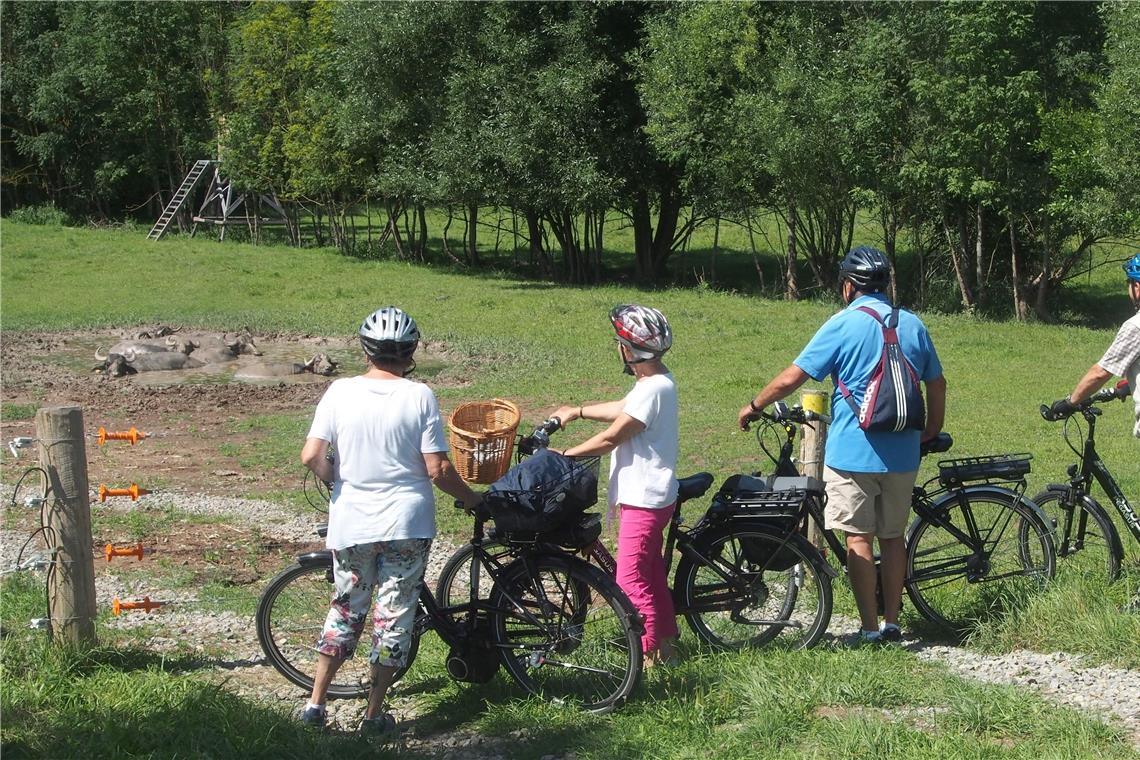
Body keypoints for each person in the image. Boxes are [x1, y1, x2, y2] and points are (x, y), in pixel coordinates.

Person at [737, 246, 946, 644]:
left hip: (853, 452)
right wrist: (929, 431)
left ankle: (869, 629)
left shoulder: (842, 324)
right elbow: (936, 383)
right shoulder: (913, 324)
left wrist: (753, 405)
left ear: (848, 286)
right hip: (904, 452)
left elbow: (792, 378)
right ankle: (893, 623)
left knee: (857, 538)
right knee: (893, 537)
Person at [298, 306, 481, 734]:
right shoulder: (420, 395)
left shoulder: (339, 391)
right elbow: (436, 468)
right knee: (394, 616)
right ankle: (374, 714)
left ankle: (315, 703)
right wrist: (473, 501)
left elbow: (311, 455)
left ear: (366, 350)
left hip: (353, 524)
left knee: (345, 611)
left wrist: (337, 480)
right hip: (406, 525)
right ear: (410, 352)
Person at [551, 304, 680, 667]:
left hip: (645, 501)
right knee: (651, 575)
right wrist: (576, 411)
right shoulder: (657, 383)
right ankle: (666, 649)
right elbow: (623, 408)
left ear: (629, 349)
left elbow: (612, 437)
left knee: (630, 581)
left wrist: (566, 454)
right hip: (654, 498)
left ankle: (647, 655)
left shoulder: (652, 390)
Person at [1049, 252, 1140, 437]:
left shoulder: (1136, 327)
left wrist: (1070, 403)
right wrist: (1130, 386)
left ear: (1137, 287)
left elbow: (1101, 373)